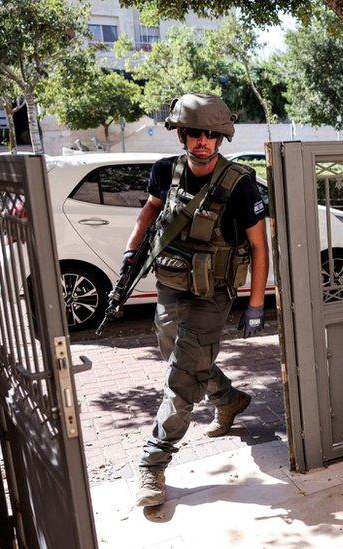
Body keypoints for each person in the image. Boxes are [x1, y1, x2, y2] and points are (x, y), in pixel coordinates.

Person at [126, 93, 270, 507]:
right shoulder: (163, 171)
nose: (202, 141)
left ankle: (152, 464)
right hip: (171, 285)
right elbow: (150, 212)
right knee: (175, 350)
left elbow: (259, 247)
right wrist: (130, 252)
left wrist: (255, 305)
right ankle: (229, 398)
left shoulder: (240, 183)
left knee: (183, 376)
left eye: (211, 134)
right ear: (181, 135)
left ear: (221, 137)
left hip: (213, 294)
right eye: (194, 133)